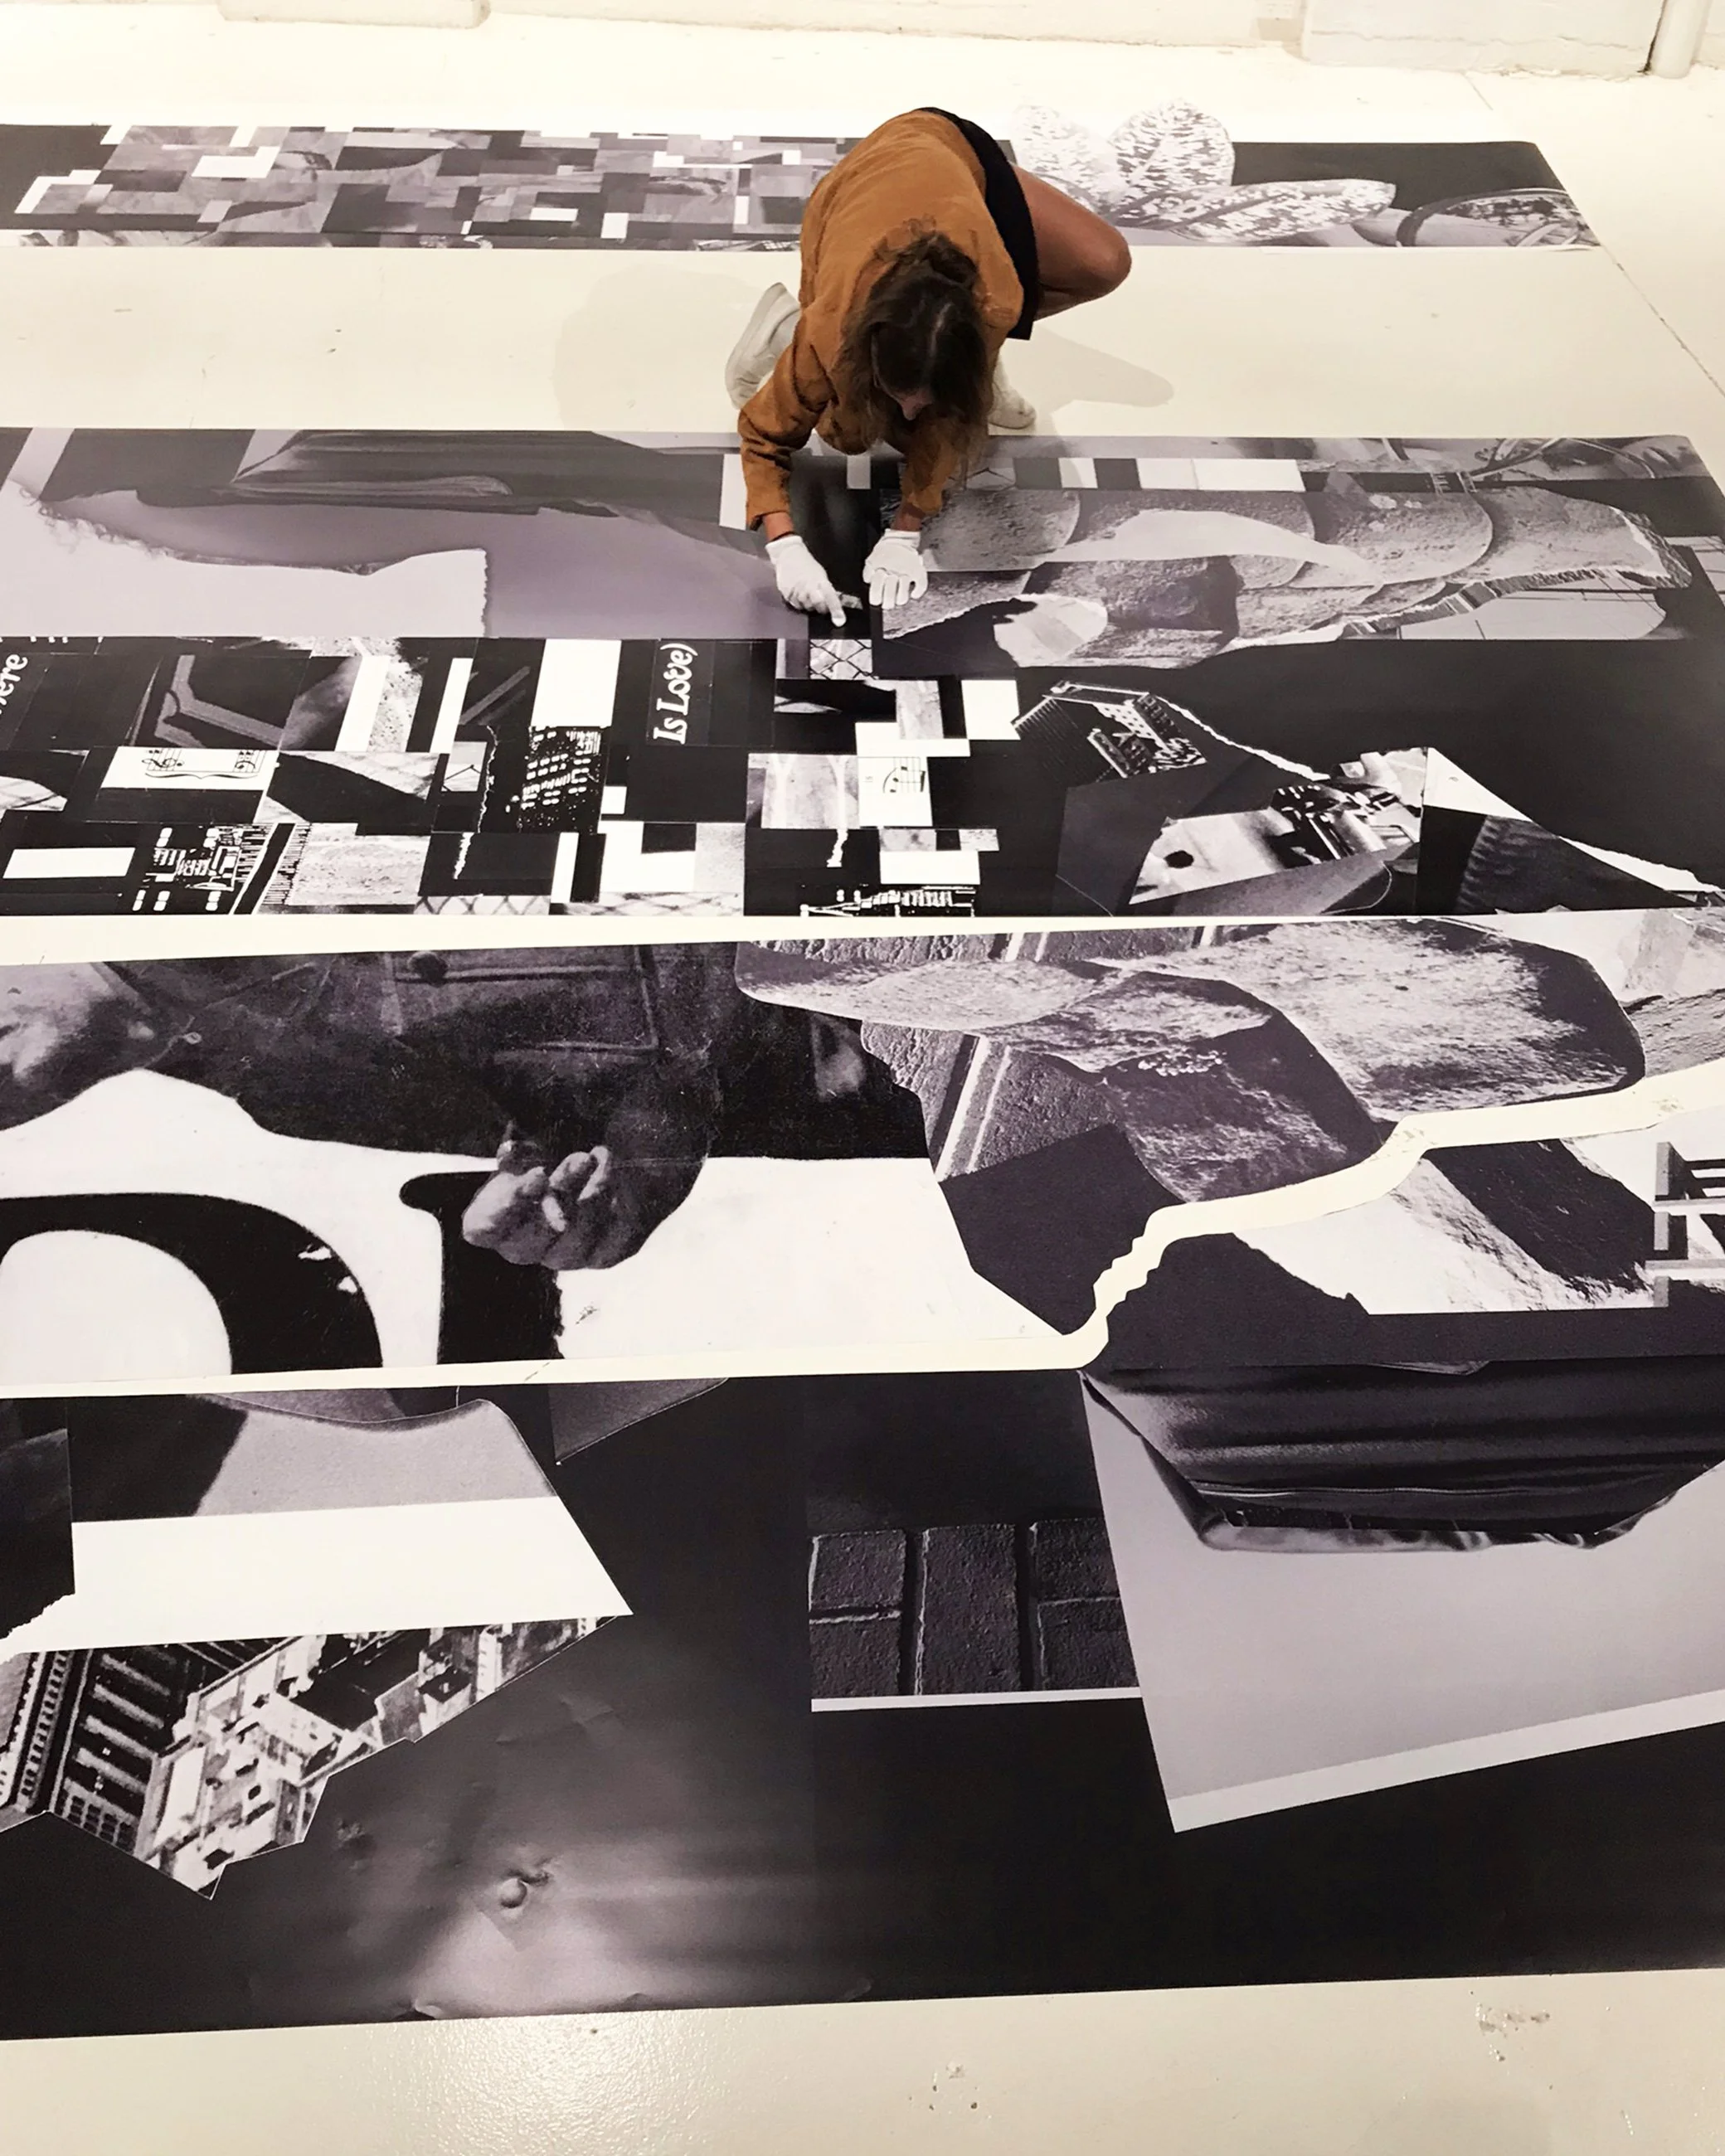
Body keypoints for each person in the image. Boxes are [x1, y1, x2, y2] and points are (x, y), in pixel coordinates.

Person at [0, 955, 927, 1275]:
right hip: (913, 1093)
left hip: (893, 937)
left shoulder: (253, 788)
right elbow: (603, 1110)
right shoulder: (278, 1098)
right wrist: (588, 1198)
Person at [726, 109, 1131, 625]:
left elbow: (945, 429)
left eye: (929, 395)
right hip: (862, 185)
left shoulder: (997, 303)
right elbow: (763, 436)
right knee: (847, 434)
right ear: (870, 354)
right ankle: (787, 327)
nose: (913, 413)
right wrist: (784, 545)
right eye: (902, 392)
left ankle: (959, 378)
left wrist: (907, 527)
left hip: (952, 149)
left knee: (1104, 264)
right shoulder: (836, 325)